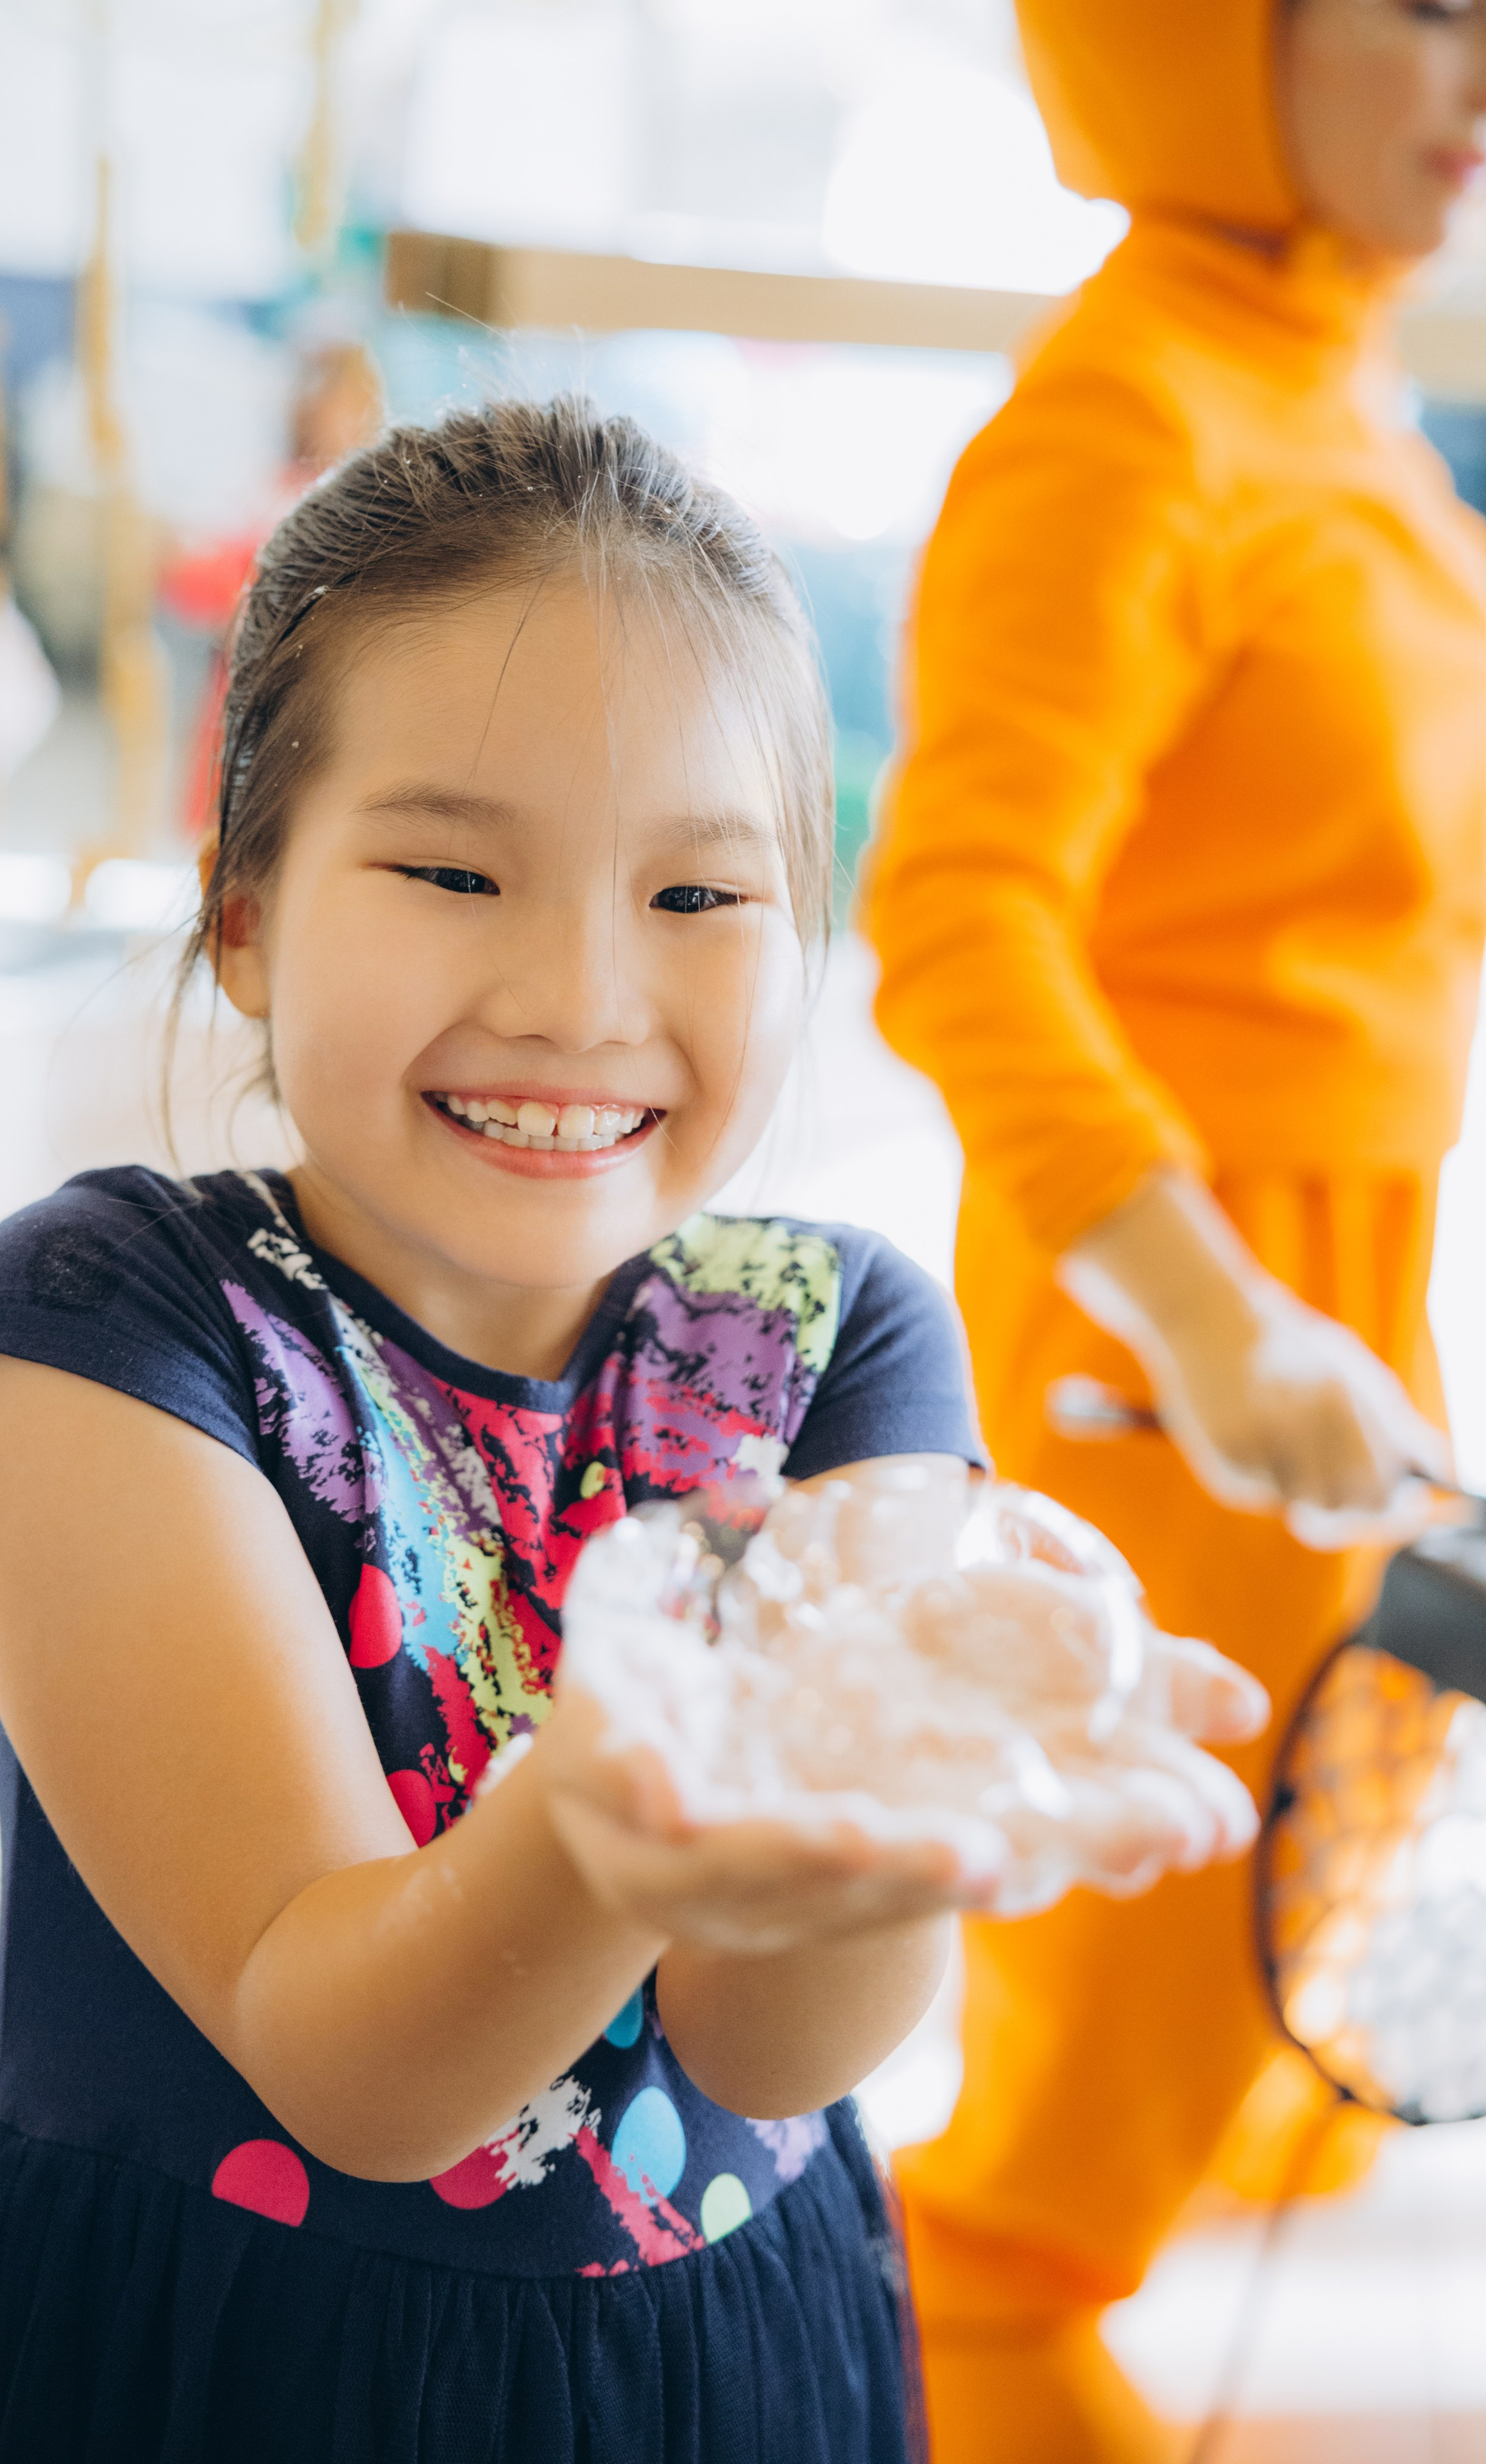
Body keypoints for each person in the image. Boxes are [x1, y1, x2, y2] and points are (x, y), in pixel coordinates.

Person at [0, 398, 1265, 2463]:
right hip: (197, 2369)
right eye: (451, 869)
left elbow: (775, 2051)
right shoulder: (105, 1329)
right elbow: (358, 2068)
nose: (585, 995)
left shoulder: (836, 1340)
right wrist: (620, 1799)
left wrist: (900, 1783)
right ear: (243, 908)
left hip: (725, 2372)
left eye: (697, 894)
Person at [864, 3, 1486, 2458]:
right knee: (1159, 1886)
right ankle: (983, 2321)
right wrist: (1209, 1321)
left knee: (1329, 1809)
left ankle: (1147, 2197)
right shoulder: (1125, 423)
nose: (1477, 72)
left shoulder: (1332, 394)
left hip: (1343, 1263)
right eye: (1418, 4)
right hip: (1176, 1304)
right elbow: (958, 919)